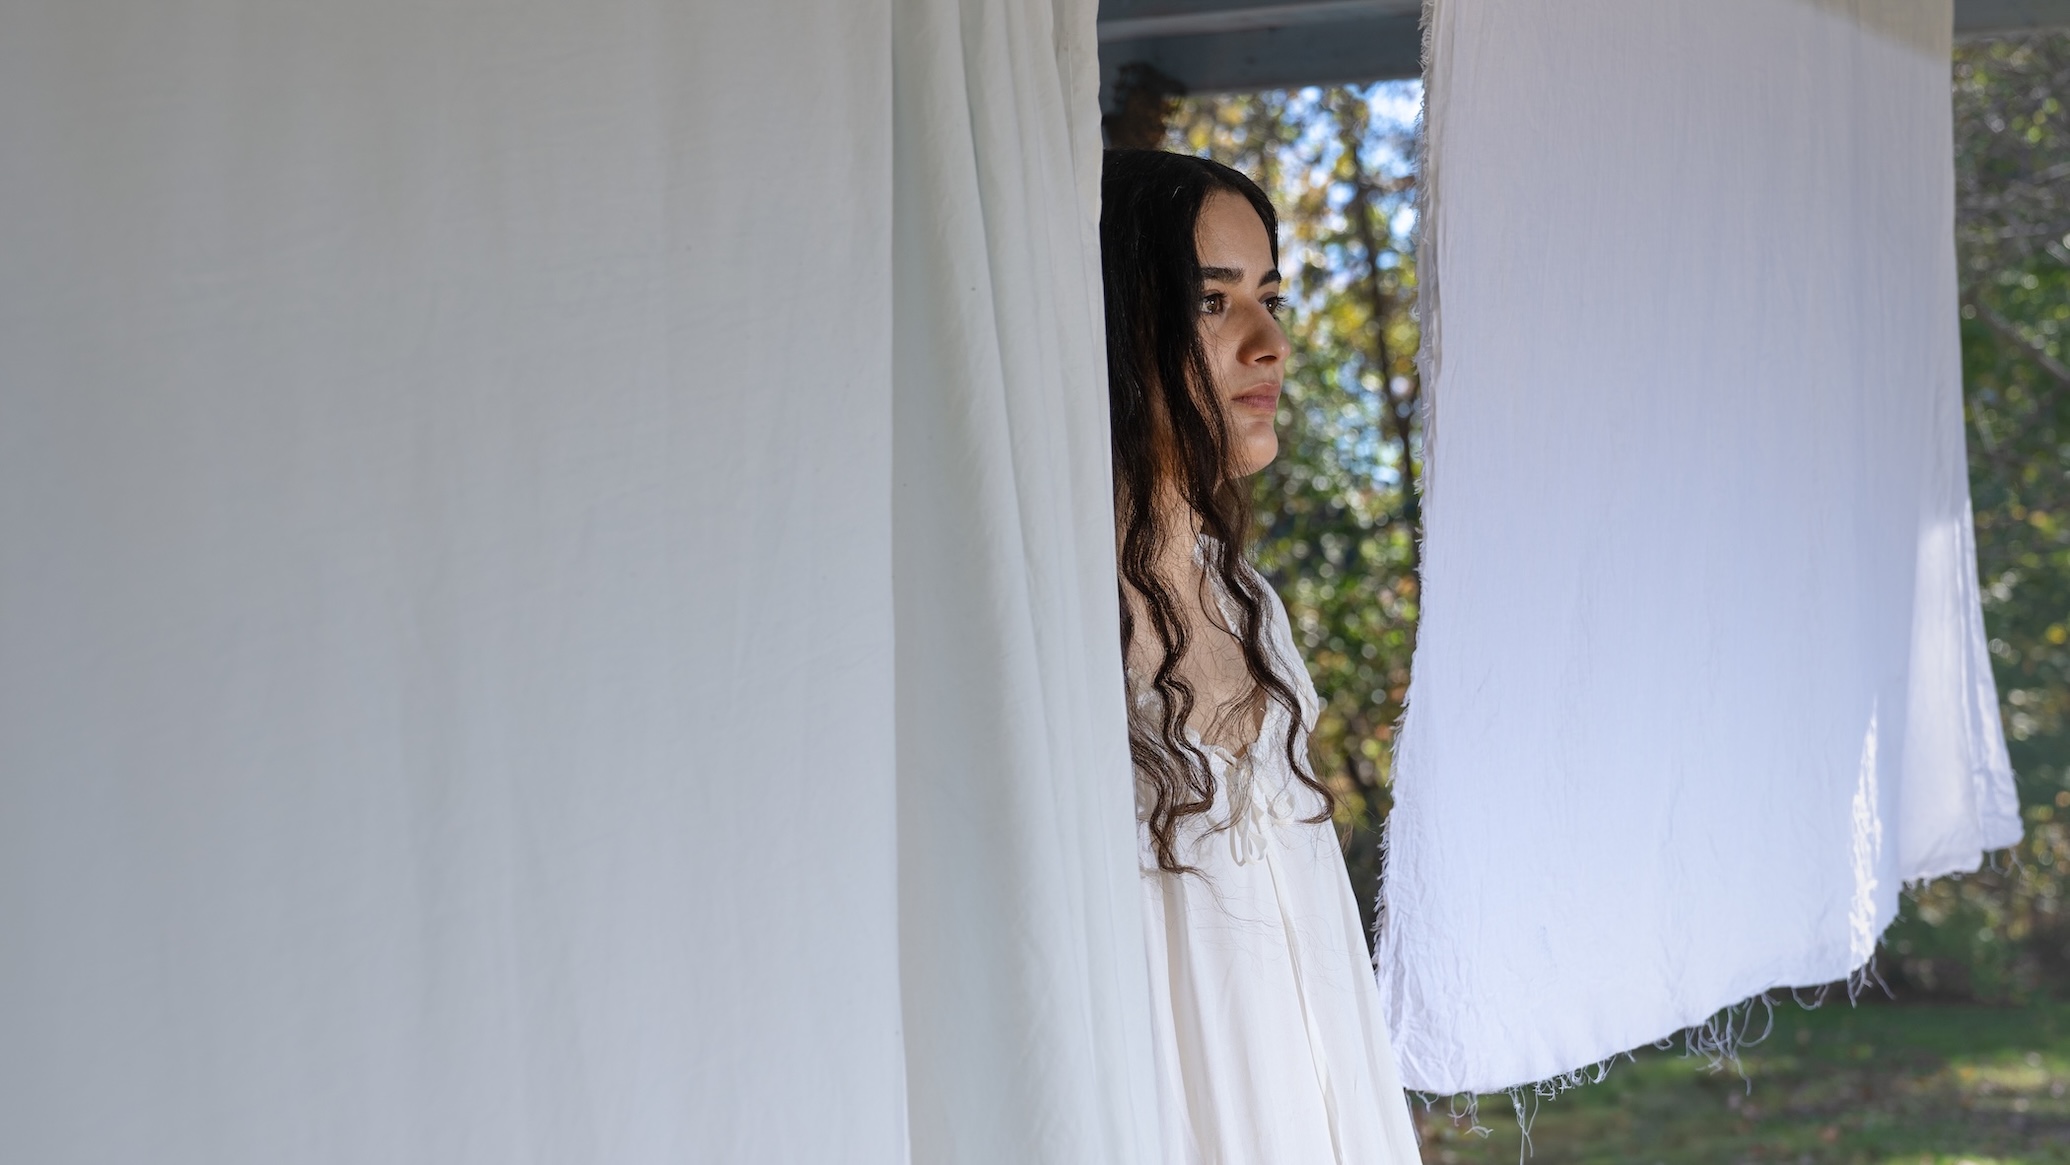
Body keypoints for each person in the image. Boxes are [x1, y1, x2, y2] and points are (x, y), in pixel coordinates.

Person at [1101, 149, 1424, 1164]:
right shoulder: (1058, 613)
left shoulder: (1250, 601)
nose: (1270, 343)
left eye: (1271, 297)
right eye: (1212, 301)